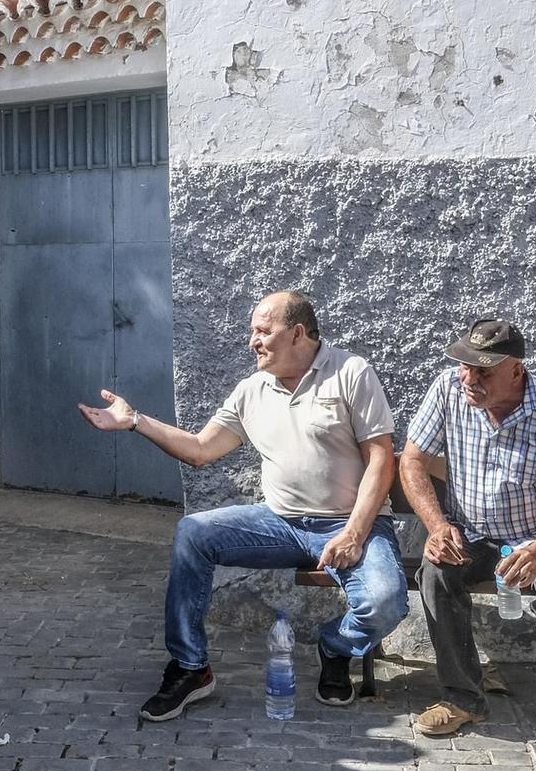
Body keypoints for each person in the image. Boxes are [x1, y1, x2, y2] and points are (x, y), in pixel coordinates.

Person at [78, 290, 407, 722]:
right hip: (281, 524)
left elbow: (381, 458)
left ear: (298, 333)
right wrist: (135, 420)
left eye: (263, 331)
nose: (252, 340)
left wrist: (353, 532)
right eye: (252, 331)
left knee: (385, 602)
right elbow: (200, 449)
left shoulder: (350, 372)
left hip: (352, 524)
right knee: (194, 533)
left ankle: (335, 647)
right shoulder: (253, 389)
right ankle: (191, 669)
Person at [400, 319, 536, 748]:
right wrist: (437, 527)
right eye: (464, 367)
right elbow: (412, 461)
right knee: (435, 574)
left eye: (483, 370)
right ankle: (461, 697)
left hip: (535, 534)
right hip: (468, 530)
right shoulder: (447, 390)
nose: (469, 379)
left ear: (516, 369)